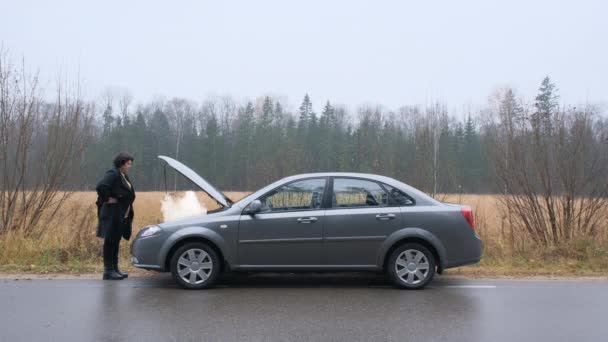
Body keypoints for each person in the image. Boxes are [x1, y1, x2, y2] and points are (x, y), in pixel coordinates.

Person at [95, 152, 136, 280]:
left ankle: (115, 268)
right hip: (112, 212)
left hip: (120, 213)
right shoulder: (113, 173)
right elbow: (101, 186)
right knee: (110, 241)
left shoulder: (122, 175)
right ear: (122, 163)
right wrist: (110, 198)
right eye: (128, 164)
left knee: (116, 240)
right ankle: (108, 271)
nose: (130, 166)